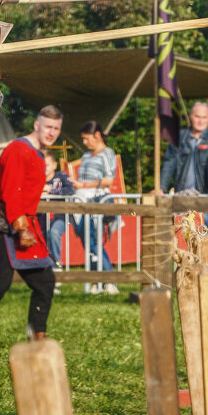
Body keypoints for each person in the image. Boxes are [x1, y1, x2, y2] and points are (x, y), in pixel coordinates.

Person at [0, 106, 63, 349]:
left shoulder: (38, 154)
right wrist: (20, 226)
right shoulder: (19, 149)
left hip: (24, 224)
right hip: (7, 224)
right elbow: (12, 191)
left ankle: (36, 336)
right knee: (0, 282)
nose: (52, 133)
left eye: (56, 129)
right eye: (48, 127)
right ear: (36, 125)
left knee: (45, 281)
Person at [73, 121, 118, 294]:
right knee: (88, 240)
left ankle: (108, 278)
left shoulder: (108, 153)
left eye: (86, 139)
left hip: (98, 200)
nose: (84, 143)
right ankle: (99, 280)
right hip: (82, 201)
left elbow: (108, 179)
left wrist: (84, 185)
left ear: (97, 135)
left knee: (93, 240)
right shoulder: (85, 157)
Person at [158, 101, 208, 195]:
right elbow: (169, 163)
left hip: (204, 194)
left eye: (204, 117)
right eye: (197, 116)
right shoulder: (180, 136)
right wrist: (161, 188)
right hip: (181, 193)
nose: (200, 121)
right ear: (190, 116)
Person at [41, 151, 75, 265]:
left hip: (60, 215)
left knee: (54, 232)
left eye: (46, 165)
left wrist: (51, 190)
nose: (44, 168)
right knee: (41, 238)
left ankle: (56, 264)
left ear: (54, 165)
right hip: (41, 215)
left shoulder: (61, 176)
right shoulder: (36, 178)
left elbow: (70, 190)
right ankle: (43, 265)